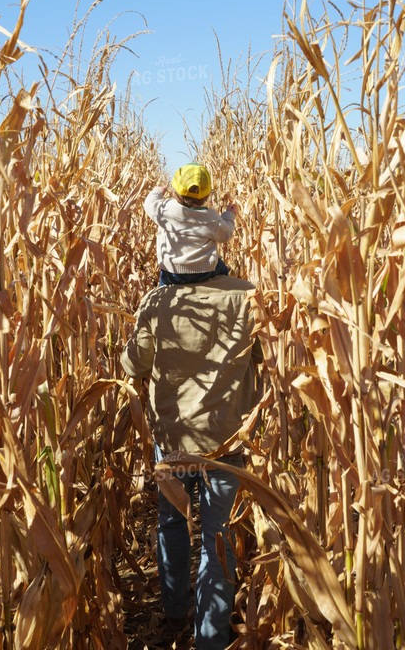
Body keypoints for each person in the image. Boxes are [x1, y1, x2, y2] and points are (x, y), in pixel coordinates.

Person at [120, 274, 263, 650]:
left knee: (171, 522)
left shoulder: (158, 301)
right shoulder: (245, 295)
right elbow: (266, 357)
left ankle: (176, 610)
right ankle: (211, 641)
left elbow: (133, 365)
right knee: (220, 537)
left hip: (174, 442)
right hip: (226, 441)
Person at [143, 162, 237, 285]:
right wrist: (229, 216)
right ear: (208, 195)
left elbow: (149, 204)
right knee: (223, 269)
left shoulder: (165, 209)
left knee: (164, 284)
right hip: (205, 270)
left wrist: (157, 192)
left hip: (171, 271)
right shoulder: (211, 218)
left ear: (175, 191)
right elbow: (226, 234)